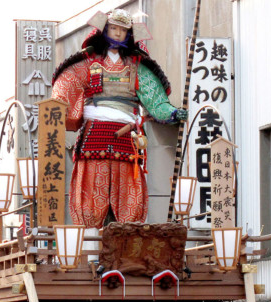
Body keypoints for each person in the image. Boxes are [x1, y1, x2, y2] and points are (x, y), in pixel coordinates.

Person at [50, 8, 187, 228]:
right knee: (93, 189)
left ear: (129, 34)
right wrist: (57, 104)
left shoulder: (137, 67)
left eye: (122, 30)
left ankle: (127, 238)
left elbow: (155, 100)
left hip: (127, 139)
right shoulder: (88, 63)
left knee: (128, 191)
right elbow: (67, 82)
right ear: (104, 30)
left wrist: (171, 113)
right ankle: (93, 243)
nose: (117, 33)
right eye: (113, 28)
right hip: (94, 134)